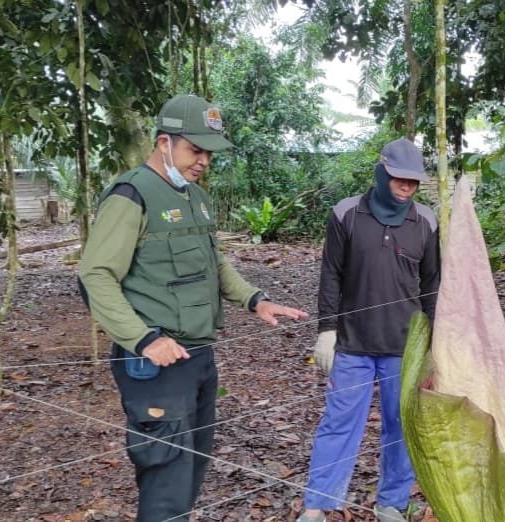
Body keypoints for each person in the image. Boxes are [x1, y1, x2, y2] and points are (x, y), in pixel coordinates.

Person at [79, 94, 309, 521]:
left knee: (191, 467)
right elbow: (94, 275)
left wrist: (255, 300)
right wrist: (144, 339)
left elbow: (214, 262)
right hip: (155, 364)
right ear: (164, 142)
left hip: (199, 357)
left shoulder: (195, 198)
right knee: (165, 473)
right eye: (195, 150)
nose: (203, 161)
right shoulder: (132, 195)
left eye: (208, 153)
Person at [298, 138, 440, 522]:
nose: (406, 187)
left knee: (400, 425)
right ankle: (317, 504)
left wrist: (434, 346)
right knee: (339, 422)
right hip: (353, 344)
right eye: (399, 179)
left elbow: (432, 285)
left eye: (413, 181)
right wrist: (327, 330)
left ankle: (391, 502)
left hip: (404, 345)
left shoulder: (426, 221)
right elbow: (331, 276)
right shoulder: (346, 213)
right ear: (382, 172)